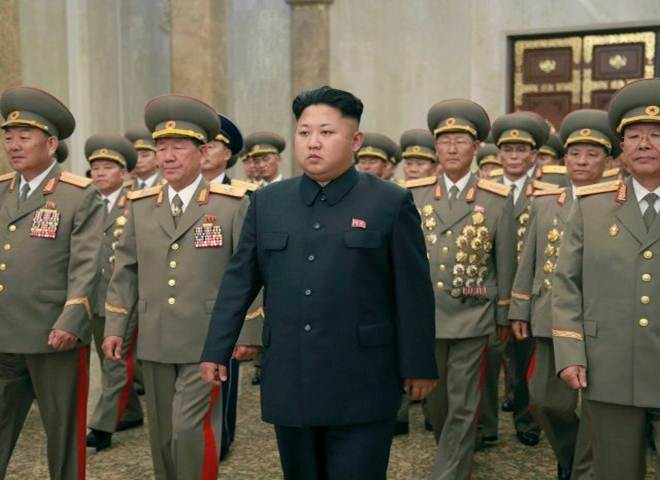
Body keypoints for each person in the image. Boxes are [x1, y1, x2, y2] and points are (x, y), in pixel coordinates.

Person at [200, 85, 437, 480]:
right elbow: (239, 281)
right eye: (304, 132)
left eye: (326, 133)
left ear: (355, 140)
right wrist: (215, 350)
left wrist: (419, 365)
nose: (313, 143)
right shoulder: (269, 202)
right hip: (291, 375)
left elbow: (413, 292)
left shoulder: (389, 202)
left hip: (363, 377)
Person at [102, 94, 261, 480]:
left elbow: (249, 272)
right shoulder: (141, 205)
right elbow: (126, 270)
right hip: (155, 337)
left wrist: (248, 330)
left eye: (178, 147)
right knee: (162, 436)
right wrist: (115, 326)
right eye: (161, 148)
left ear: (202, 152)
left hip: (207, 340)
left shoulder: (231, 204)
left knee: (190, 430)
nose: (168, 156)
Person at [553, 78, 660, 480]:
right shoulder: (591, 207)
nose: (645, 144)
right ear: (622, 149)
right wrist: (570, 352)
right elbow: (566, 284)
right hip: (608, 365)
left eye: (656, 134)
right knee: (616, 471)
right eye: (634, 136)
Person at [407, 98, 516, 479]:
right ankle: (452, 454)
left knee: (464, 401)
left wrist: (504, 313)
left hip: (473, 312)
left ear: (476, 147)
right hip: (426, 314)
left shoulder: (496, 199)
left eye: (461, 141)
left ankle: (450, 471)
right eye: (445, 141)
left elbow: (505, 260)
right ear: (436, 147)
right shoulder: (414, 194)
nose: (452, 148)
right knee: (436, 401)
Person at [0, 86, 104, 479]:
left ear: (51, 143)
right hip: (4, 332)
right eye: (9, 137)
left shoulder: (78, 195)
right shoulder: (1, 190)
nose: (14, 145)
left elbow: (87, 263)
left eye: (24, 137)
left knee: (63, 433)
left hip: (53, 333)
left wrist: (72, 319)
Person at [509, 109, 616, 479]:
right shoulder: (545, 202)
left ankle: (583, 468)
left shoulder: (620, 203)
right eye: (575, 153)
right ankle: (571, 454)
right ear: (564, 158)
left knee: (600, 405)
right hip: (552, 316)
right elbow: (529, 259)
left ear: (609, 162)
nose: (582, 161)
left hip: (603, 318)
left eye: (592, 154)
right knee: (544, 400)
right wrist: (520, 308)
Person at [86, 134, 144, 452]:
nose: (99, 173)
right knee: (105, 355)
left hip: (124, 296)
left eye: (107, 167)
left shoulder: (136, 203)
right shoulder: (88, 203)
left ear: (124, 173)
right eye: (95, 167)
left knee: (115, 360)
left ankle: (102, 426)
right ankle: (131, 411)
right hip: (95, 295)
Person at [124, 126, 163, 190]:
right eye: (135, 156)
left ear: (157, 158)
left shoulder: (169, 186)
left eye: (145, 155)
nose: (138, 160)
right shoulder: (126, 190)